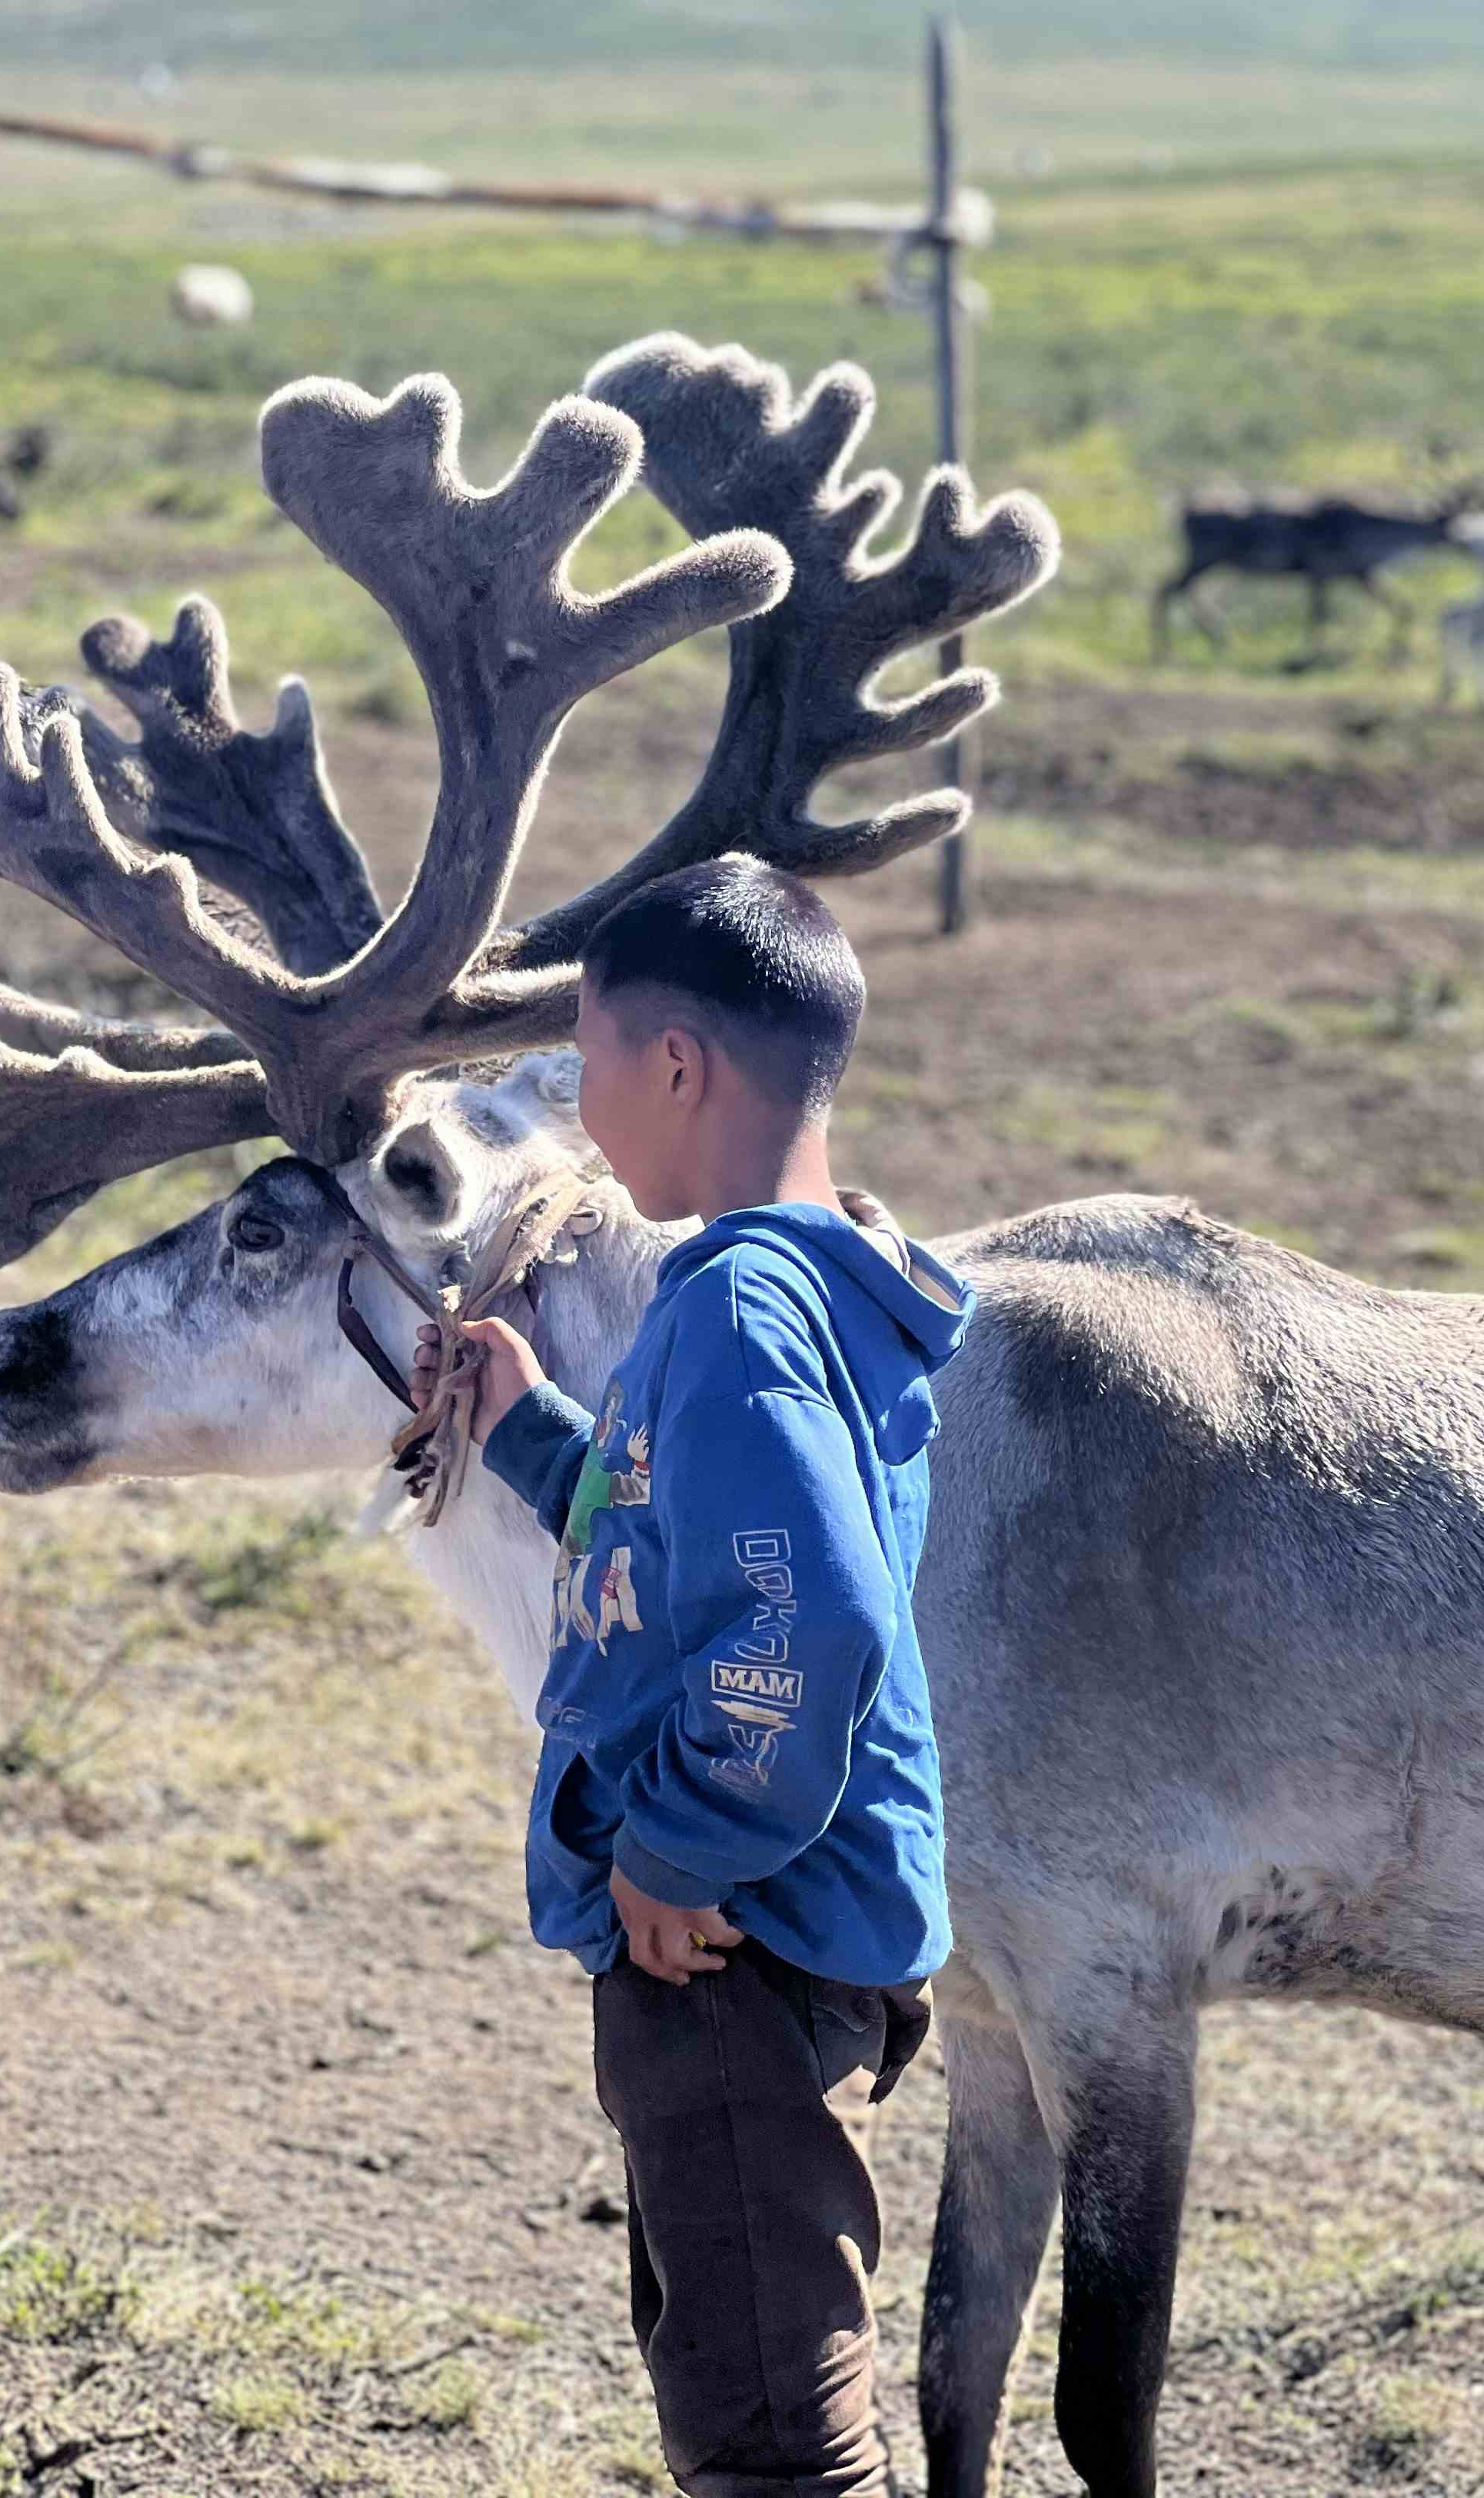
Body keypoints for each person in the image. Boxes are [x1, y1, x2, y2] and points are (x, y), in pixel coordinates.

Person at [417, 851, 972, 2498]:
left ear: (677, 1065)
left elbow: (808, 1620)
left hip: (735, 1941)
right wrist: (528, 1429)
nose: (581, 1111)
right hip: (786, 1930)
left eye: (588, 1061)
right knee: (740, 2369)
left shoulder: (733, 1308)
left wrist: (675, 1849)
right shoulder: (824, 1281)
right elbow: (707, 1534)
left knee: (774, 2447)